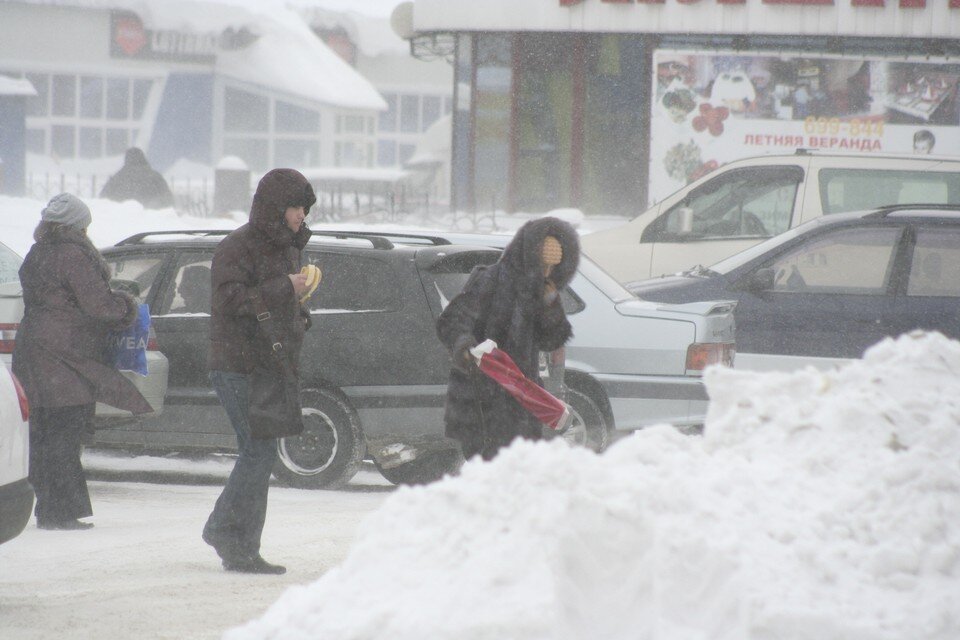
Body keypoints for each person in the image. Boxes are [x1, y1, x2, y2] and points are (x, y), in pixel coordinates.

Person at [12, 193, 153, 530]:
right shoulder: (74, 255)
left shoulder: (38, 252)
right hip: (67, 354)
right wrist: (127, 307)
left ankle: (47, 507)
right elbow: (98, 305)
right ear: (77, 226)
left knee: (43, 437)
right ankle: (61, 512)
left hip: (33, 349)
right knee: (64, 435)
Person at [201, 168, 315, 574]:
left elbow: (270, 301)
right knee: (258, 450)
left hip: (267, 364)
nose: (301, 215)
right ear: (275, 208)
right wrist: (286, 287)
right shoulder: (238, 247)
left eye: (304, 208)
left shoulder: (286, 246)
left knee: (260, 452)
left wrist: (300, 311)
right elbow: (230, 300)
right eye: (295, 207)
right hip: (236, 365)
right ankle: (226, 533)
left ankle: (241, 545)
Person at [436, 217, 580, 461]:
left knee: (517, 475)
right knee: (488, 474)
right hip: (481, 398)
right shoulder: (490, 280)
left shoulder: (542, 293)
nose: (547, 273)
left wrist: (551, 305)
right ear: (529, 257)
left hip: (522, 398)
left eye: (553, 268)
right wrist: (467, 346)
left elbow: (551, 341)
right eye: (543, 265)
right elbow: (452, 321)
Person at [99, 147, 174, 209]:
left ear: (126, 160)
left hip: (121, 221)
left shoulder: (117, 178)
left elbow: (103, 199)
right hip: (151, 221)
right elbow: (168, 199)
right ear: (143, 158)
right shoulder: (155, 177)